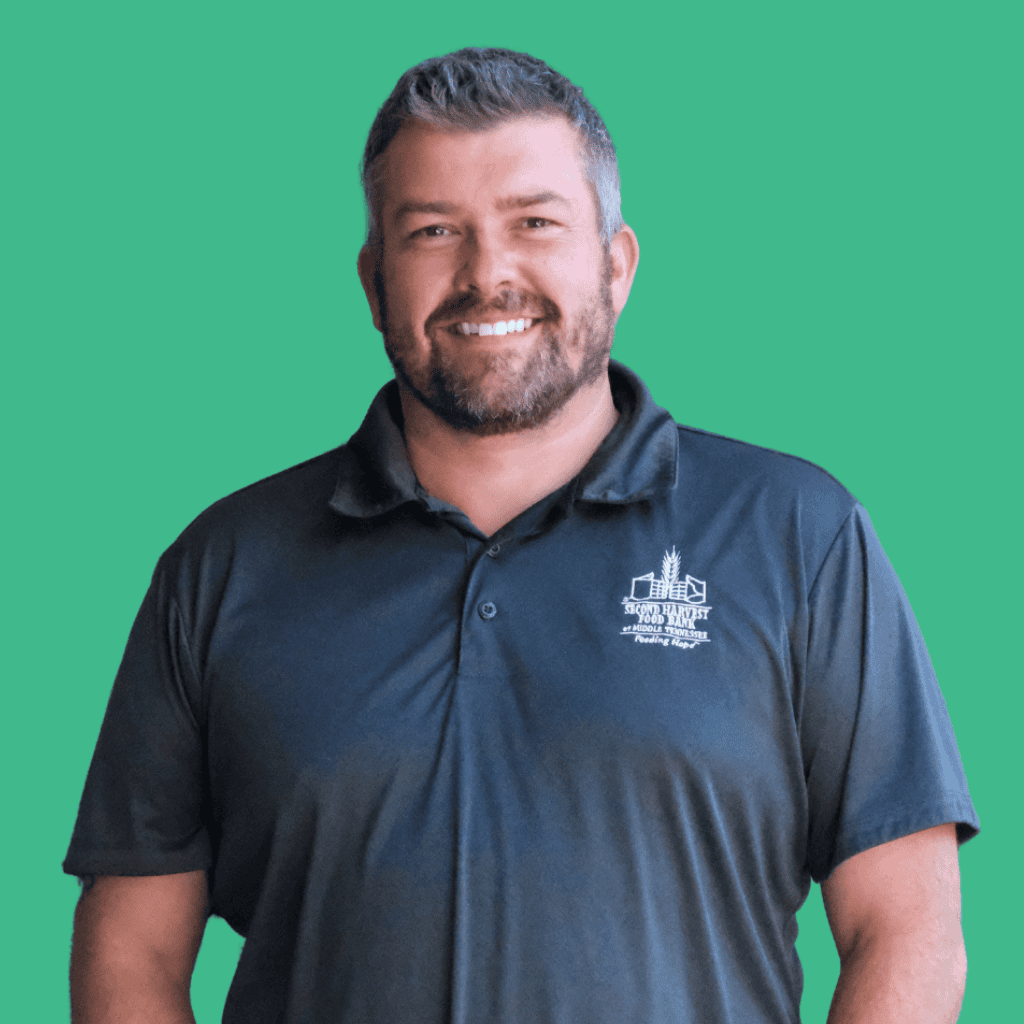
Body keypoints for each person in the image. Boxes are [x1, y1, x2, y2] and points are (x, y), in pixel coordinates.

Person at [65, 48, 978, 1024]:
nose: (486, 273)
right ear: (374, 282)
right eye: (433, 232)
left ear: (616, 265)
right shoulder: (223, 567)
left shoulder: (797, 535)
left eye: (534, 223)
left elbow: (906, 929)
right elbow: (131, 952)